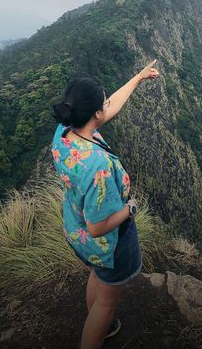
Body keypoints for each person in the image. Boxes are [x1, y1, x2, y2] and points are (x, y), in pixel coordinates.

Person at [51, 60, 159, 349]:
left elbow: (109, 106)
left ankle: (99, 322)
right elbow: (98, 226)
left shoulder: (64, 133)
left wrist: (137, 78)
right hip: (107, 243)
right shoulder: (97, 166)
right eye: (102, 104)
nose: (106, 106)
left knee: (97, 277)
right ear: (95, 114)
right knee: (106, 303)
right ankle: (98, 325)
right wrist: (130, 209)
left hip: (77, 233)